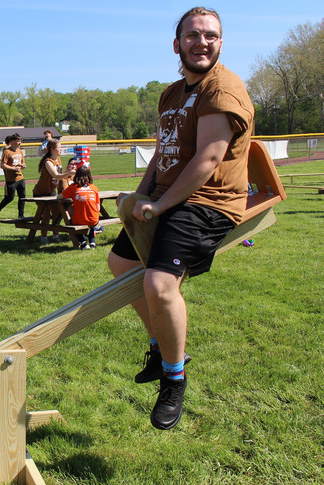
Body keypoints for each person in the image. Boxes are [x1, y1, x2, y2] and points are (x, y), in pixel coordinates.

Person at [107, 6, 254, 430]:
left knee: (159, 283)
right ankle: (160, 347)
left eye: (211, 35)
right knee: (120, 264)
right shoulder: (171, 94)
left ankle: (174, 378)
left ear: (221, 43)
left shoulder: (222, 88)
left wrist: (159, 206)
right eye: (192, 35)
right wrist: (142, 194)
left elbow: (208, 158)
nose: (201, 42)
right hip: (169, 197)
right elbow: (162, 152)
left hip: (208, 201)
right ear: (177, 44)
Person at [33, 139, 75, 244]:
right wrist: (69, 173)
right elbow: (56, 176)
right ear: (52, 149)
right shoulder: (48, 162)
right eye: (59, 147)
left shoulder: (58, 160)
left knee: (57, 214)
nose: (61, 149)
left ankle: (55, 236)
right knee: (46, 215)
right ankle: (44, 238)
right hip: (41, 192)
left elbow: (60, 177)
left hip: (51, 191)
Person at [60, 166, 100, 250]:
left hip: (79, 220)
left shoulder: (73, 187)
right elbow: (98, 208)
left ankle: (83, 242)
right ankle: (92, 241)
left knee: (71, 221)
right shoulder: (94, 187)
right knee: (91, 217)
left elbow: (59, 197)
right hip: (94, 220)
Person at [0, 133, 26, 219]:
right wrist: (13, 168)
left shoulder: (20, 151)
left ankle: (21, 216)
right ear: (12, 142)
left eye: (20, 141)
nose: (19, 143)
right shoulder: (7, 152)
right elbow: (2, 165)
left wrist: (23, 165)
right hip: (11, 179)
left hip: (20, 178)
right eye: (17, 141)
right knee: (9, 198)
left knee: (22, 198)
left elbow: (22, 162)